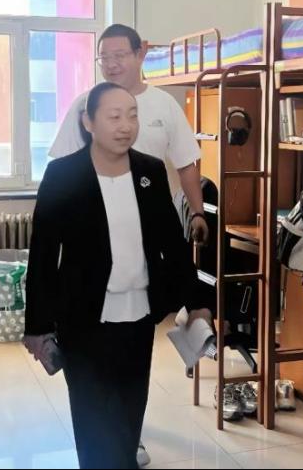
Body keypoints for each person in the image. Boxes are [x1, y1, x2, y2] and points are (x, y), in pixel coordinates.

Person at [24, 83, 212, 469]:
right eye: (114, 117)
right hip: (83, 319)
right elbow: (43, 254)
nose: (126, 125)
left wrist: (197, 303)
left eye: (132, 116)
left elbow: (171, 242)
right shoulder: (63, 174)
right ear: (88, 122)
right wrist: (37, 326)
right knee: (94, 423)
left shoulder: (149, 171)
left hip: (139, 318)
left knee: (128, 416)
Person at [49, 24, 209, 247]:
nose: (111, 64)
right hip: (94, 220)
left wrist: (197, 213)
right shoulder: (84, 106)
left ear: (140, 53)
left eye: (119, 55)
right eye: (104, 58)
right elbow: (62, 169)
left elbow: (186, 164)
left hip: (149, 218)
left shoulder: (164, 104)